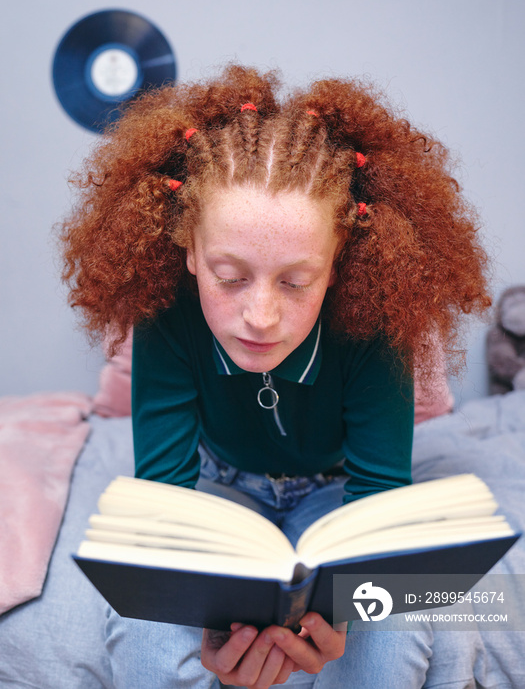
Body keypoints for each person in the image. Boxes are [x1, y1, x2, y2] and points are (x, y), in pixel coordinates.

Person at [59, 64, 491, 688]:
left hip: (337, 491)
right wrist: (210, 623)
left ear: (339, 262)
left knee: (394, 633)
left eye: (296, 281)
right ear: (186, 251)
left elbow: (378, 489)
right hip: (221, 486)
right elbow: (166, 495)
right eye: (229, 277)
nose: (260, 318)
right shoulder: (165, 313)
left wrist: (335, 615)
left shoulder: (374, 323)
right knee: (143, 631)